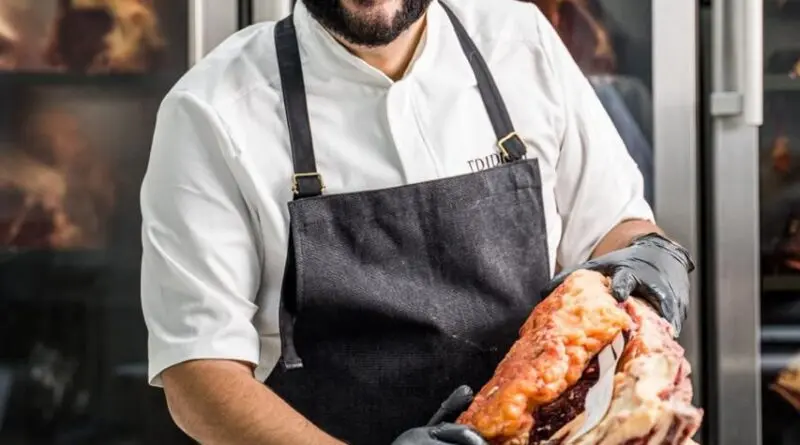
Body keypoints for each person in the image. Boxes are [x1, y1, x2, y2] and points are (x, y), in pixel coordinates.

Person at [139, 0, 695, 444]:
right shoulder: (211, 110)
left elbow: (614, 229)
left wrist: (649, 261)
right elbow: (198, 371)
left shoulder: (520, 42)